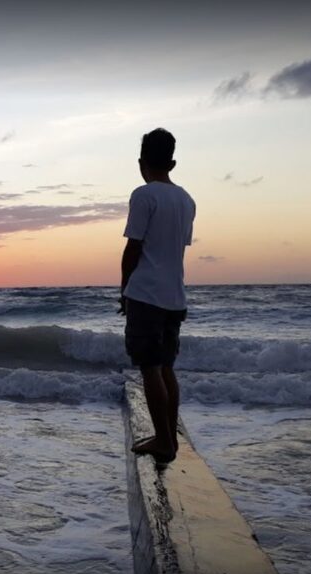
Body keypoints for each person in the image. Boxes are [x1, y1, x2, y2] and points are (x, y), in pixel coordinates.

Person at [117, 128, 196, 464]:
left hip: (146, 294)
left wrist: (124, 290)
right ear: (172, 162)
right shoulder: (186, 200)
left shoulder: (144, 195)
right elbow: (177, 248)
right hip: (174, 296)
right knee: (165, 367)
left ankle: (164, 440)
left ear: (141, 162)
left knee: (149, 367)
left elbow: (133, 247)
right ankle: (169, 437)